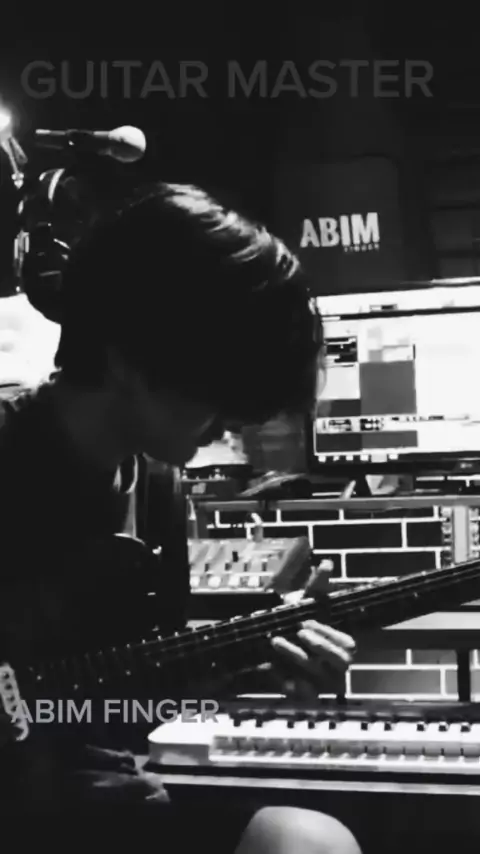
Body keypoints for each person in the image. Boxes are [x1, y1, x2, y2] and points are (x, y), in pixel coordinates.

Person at [0, 181, 361, 852]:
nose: (232, 422)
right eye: (216, 390)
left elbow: (120, 705)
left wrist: (246, 671)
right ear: (128, 357)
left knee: (309, 842)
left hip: (100, 799)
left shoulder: (158, 487)